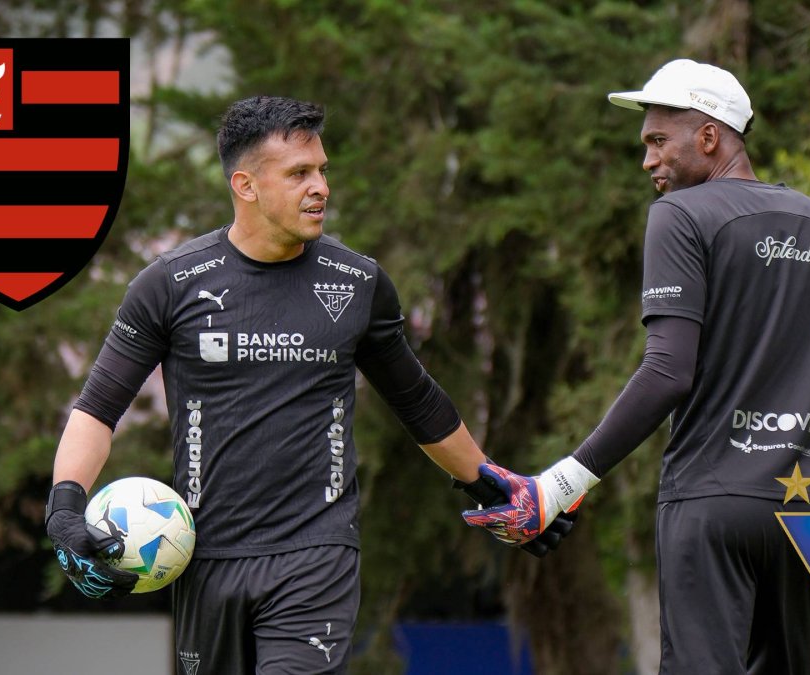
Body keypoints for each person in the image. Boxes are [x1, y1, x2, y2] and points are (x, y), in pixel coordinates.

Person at [43, 95, 569, 673]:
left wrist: (488, 485)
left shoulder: (357, 282)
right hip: (203, 557)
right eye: (299, 174)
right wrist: (65, 508)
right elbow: (98, 409)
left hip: (316, 554)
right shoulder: (170, 285)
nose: (321, 187)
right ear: (245, 185)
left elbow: (417, 401)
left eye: (321, 170)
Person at [462, 59, 810, 674]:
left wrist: (560, 485)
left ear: (709, 137)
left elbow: (668, 371)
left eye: (659, 141)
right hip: (807, 518)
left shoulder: (680, 215)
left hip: (709, 505)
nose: (648, 161)